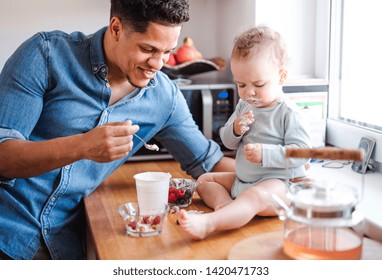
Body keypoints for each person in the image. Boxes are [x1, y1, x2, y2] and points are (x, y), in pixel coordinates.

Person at [0, 0, 234, 260]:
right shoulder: (45, 55)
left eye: (168, 51)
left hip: (62, 244)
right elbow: (3, 156)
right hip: (7, 227)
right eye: (148, 49)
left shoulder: (164, 96)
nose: (158, 64)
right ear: (116, 28)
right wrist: (82, 146)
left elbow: (206, 161)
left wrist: (278, 173)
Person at [178, 25, 311, 240]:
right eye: (241, 84)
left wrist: (265, 154)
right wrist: (235, 129)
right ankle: (226, 208)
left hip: (277, 186)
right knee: (203, 180)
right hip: (243, 180)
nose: (249, 92)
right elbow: (227, 142)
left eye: (258, 84)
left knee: (254, 196)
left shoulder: (289, 113)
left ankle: (211, 223)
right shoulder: (244, 106)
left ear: (282, 77)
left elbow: (302, 154)